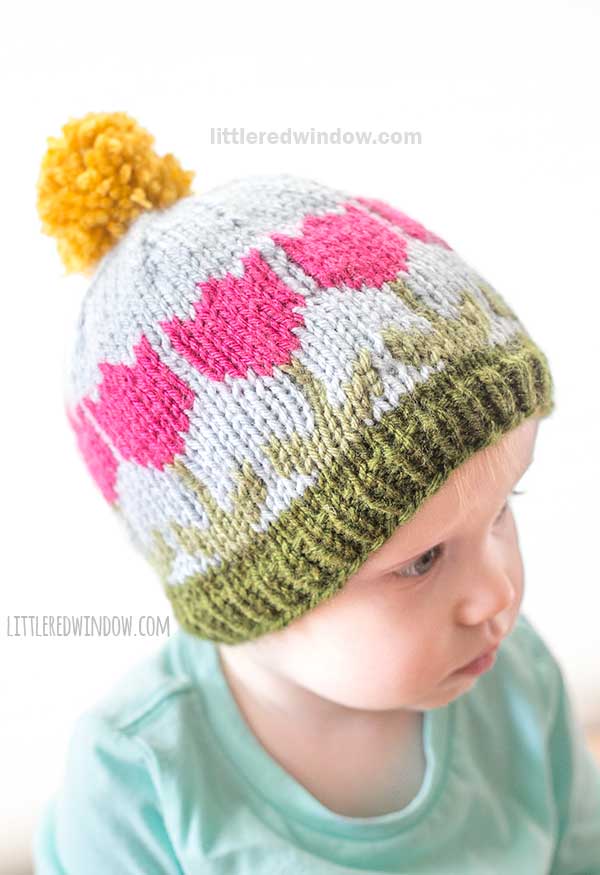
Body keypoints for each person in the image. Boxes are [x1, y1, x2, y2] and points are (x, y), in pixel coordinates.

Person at [32, 110, 600, 873]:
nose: (498, 594)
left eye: (505, 509)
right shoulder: (139, 780)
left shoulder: (519, 685)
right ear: (258, 593)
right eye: (424, 559)